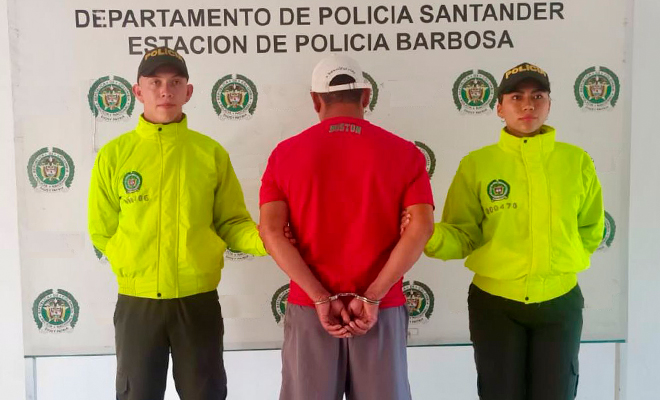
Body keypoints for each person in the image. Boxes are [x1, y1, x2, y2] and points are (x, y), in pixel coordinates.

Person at [88, 47, 267, 400]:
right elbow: (102, 229)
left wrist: (268, 240)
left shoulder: (210, 154)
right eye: (155, 82)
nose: (165, 91)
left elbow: (232, 222)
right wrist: (132, 266)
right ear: (138, 91)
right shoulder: (113, 156)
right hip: (138, 304)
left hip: (197, 302)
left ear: (189, 91)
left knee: (205, 394)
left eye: (175, 82)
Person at [422, 62, 604, 400]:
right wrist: (426, 234)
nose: (527, 105)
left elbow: (591, 228)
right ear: (499, 108)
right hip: (495, 305)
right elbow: (463, 234)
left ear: (549, 104)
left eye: (538, 96)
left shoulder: (577, 161)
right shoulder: (477, 164)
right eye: (516, 97)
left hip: (560, 303)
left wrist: (562, 262)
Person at [259, 54, 435, 400]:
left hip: (310, 306)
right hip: (381, 307)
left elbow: (271, 232)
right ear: (366, 96)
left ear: (315, 100)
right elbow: (421, 228)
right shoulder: (406, 153)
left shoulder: (285, 154)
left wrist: (320, 297)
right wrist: (372, 296)